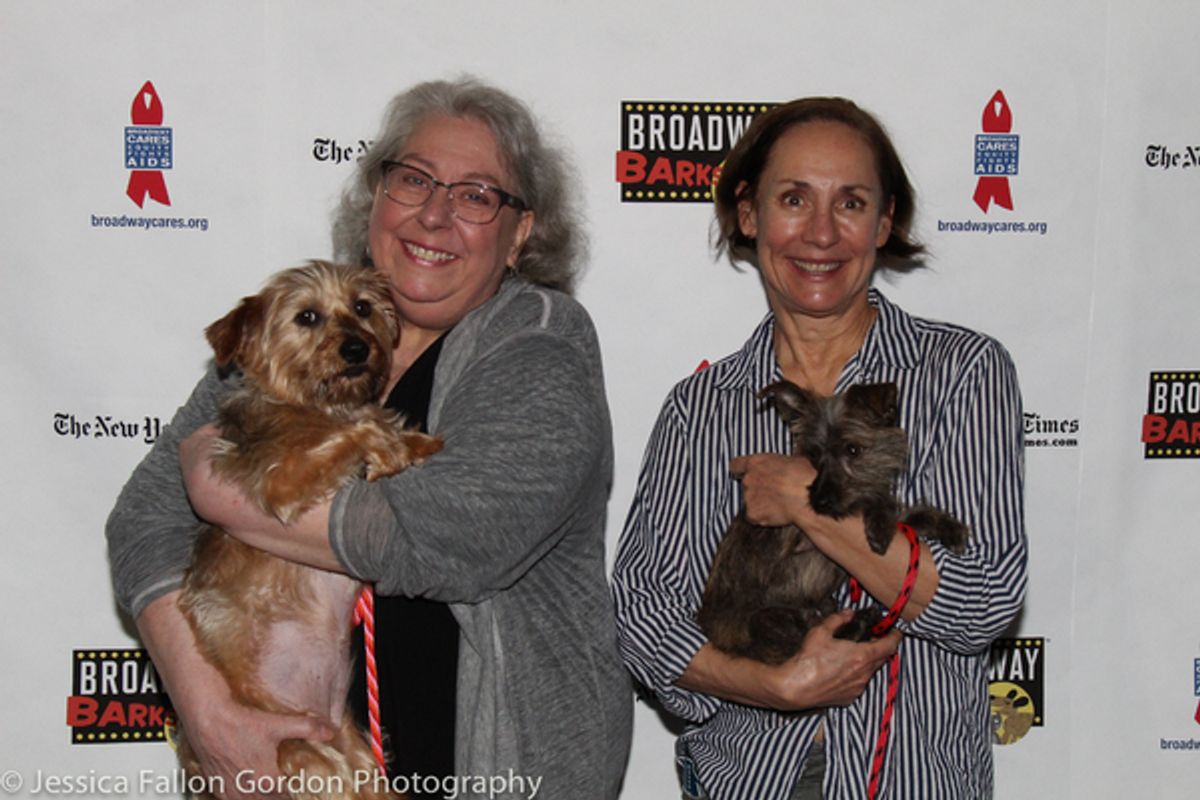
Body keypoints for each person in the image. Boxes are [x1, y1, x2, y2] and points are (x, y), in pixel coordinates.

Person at [107, 77, 632, 800]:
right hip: (298, 766)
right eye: (414, 179)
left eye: (476, 196)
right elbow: (142, 523)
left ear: (519, 235)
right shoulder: (284, 340)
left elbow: (453, 539)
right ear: (376, 196)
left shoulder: (539, 344)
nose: (435, 214)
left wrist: (216, 489)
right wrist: (211, 711)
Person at [611, 97, 1026, 800]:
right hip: (751, 780)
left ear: (885, 223)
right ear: (749, 214)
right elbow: (643, 615)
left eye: (851, 203)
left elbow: (982, 601)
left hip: (913, 781)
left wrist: (808, 501)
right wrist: (772, 685)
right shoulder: (701, 408)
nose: (822, 233)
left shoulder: (961, 374)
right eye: (794, 199)